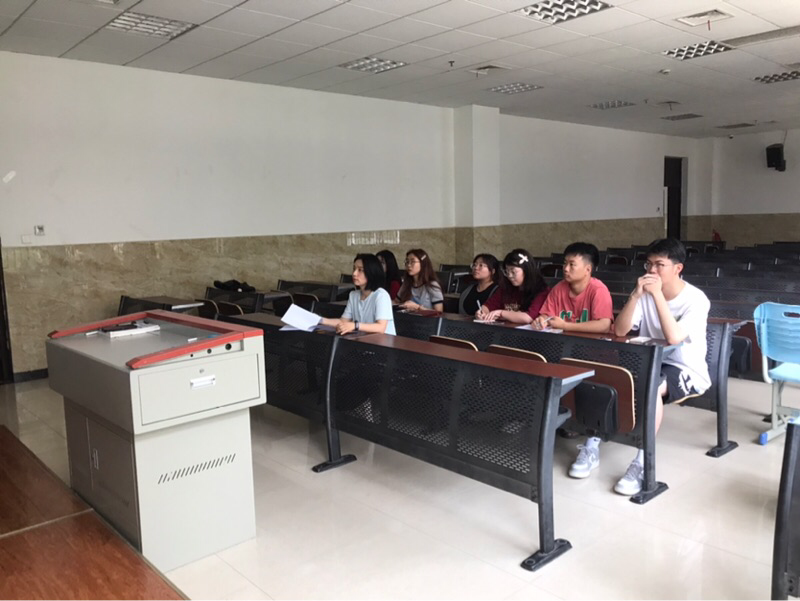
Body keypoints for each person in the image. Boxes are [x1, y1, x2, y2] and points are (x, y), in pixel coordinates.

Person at [571, 238, 711, 496]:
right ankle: (592, 444)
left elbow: (673, 338)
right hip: (647, 360)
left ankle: (642, 461)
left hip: (684, 368)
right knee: (607, 376)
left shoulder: (696, 299)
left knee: (651, 386)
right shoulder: (644, 293)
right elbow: (620, 330)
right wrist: (636, 296)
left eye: (659, 265)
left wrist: (657, 295)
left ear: (678, 268)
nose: (651, 271)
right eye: (648, 264)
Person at [533, 242, 613, 333]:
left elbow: (604, 326)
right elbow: (547, 315)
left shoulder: (598, 290)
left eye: (572, 265)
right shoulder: (558, 289)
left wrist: (565, 326)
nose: (566, 269)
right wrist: (542, 320)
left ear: (588, 269)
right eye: (565, 263)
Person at [320, 254, 396, 335]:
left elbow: (381, 328)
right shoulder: (353, 295)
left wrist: (355, 325)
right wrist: (320, 320)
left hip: (383, 341)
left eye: (360, 270)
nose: (354, 273)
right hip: (364, 339)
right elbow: (343, 321)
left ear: (371, 272)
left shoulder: (381, 295)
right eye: (354, 269)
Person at [476, 249, 548, 324]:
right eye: (507, 272)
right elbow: (489, 305)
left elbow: (528, 317)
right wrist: (482, 312)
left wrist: (501, 313)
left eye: (513, 272)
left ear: (526, 270)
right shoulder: (506, 288)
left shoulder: (541, 290)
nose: (510, 276)